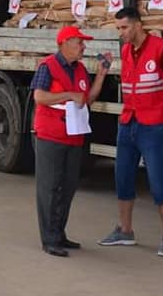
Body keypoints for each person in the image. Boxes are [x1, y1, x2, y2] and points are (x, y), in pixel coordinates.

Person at [98, 7, 163, 257]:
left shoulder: (161, 48)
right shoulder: (126, 50)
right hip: (129, 121)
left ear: (138, 25)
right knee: (123, 176)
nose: (121, 33)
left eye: (124, 28)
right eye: (117, 29)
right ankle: (125, 230)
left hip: (153, 124)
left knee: (159, 180)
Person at [31, 25, 112, 257]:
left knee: (67, 187)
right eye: (79, 42)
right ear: (64, 43)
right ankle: (49, 239)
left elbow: (88, 99)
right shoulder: (48, 66)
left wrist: (101, 75)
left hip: (74, 137)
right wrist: (68, 95)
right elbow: (39, 97)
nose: (83, 47)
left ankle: (59, 233)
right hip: (51, 135)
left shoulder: (80, 69)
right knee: (49, 188)